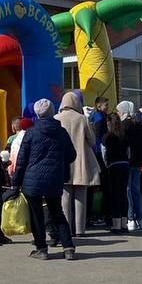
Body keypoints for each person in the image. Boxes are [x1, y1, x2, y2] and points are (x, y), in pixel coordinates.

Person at [11, 99, 77, 260]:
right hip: (55, 178)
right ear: (52, 112)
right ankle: (68, 247)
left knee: (36, 215)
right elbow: (71, 155)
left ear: (37, 114)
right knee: (57, 212)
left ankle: (42, 249)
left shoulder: (31, 133)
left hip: (32, 180)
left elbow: (21, 160)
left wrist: (15, 182)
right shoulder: (61, 132)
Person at [55, 91, 98, 237]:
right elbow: (92, 140)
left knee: (64, 198)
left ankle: (66, 229)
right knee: (81, 197)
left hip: (63, 162)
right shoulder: (82, 119)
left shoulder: (56, 118)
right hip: (81, 162)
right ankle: (80, 229)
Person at [117, 100, 142, 230]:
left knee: (127, 190)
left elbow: (121, 142)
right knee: (136, 190)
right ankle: (140, 219)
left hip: (127, 161)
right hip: (138, 161)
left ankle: (130, 219)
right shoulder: (139, 125)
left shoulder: (123, 125)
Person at [102, 112, 129, 231]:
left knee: (114, 195)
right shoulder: (124, 135)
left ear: (108, 123)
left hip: (113, 165)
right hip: (125, 164)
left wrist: (106, 165)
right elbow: (129, 151)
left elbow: (104, 154)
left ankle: (116, 223)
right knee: (123, 194)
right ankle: (124, 223)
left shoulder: (107, 137)